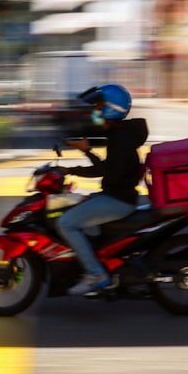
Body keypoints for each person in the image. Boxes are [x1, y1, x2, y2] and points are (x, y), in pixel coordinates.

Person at [59, 83, 149, 296]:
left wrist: (73, 167)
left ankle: (95, 274)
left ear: (111, 107)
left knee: (66, 223)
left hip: (118, 201)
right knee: (76, 204)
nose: (95, 111)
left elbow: (106, 172)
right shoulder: (121, 134)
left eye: (99, 106)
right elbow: (109, 171)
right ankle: (95, 263)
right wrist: (85, 153)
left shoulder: (120, 138)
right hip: (116, 196)